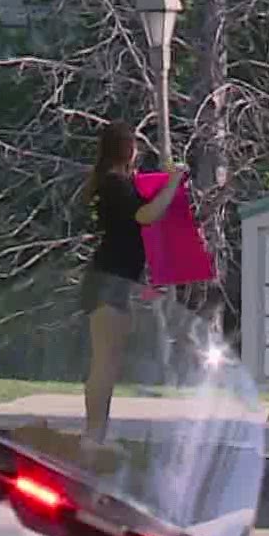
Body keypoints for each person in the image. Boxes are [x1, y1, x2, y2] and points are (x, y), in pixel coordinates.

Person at [78, 121, 184, 444]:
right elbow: (147, 216)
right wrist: (174, 183)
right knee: (104, 363)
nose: (136, 149)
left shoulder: (120, 185)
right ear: (124, 148)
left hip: (117, 283)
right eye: (133, 144)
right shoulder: (114, 185)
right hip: (107, 283)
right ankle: (93, 434)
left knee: (108, 363)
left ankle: (98, 432)